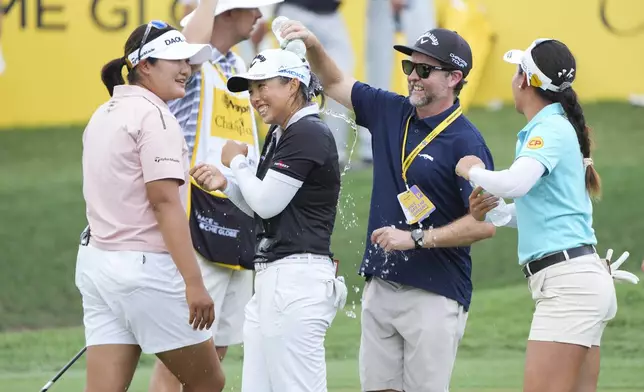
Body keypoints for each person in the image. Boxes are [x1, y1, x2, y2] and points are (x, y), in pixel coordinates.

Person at [279, 21, 497, 392]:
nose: (413, 76)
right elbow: (333, 83)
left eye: (424, 70)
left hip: (435, 293)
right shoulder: (390, 110)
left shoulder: (468, 143)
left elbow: (485, 225)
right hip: (380, 284)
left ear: (454, 78)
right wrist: (313, 44)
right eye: (409, 67)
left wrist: (416, 238)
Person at [455, 38, 638, 392]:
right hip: (581, 282)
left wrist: (471, 170)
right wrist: (494, 213)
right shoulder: (556, 128)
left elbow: (516, 182)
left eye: (516, 71)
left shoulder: (549, 129)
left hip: (569, 288)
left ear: (524, 79)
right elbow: (537, 211)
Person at [75, 20, 225, 392]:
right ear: (145, 65)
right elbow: (163, 203)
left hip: (98, 266)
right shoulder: (156, 117)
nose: (186, 69)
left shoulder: (104, 112)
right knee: (208, 382)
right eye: (175, 60)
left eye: (187, 60)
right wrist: (194, 284)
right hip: (144, 271)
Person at [190, 45, 348, 392]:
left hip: (295, 280)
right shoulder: (281, 133)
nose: (255, 97)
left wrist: (237, 163)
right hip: (275, 279)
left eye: (263, 86)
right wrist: (228, 186)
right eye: (251, 89)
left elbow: (265, 204)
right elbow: (264, 206)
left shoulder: (306, 132)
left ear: (293, 85)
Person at [147, 1, 283, 391]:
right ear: (226, 12)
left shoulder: (240, 67)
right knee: (182, 358)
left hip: (236, 220)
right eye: (252, 7)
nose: (261, 15)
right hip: (194, 225)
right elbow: (192, 44)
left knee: (213, 360)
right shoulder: (190, 66)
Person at [270, 0, 364, 166]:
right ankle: (289, 152)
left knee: (338, 79)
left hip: (331, 14)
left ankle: (334, 155)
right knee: (294, 82)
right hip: (296, 11)